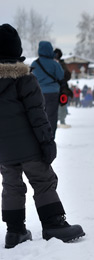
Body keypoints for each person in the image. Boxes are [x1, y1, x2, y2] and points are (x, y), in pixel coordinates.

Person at [0, 23, 85, 249]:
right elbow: (38, 116)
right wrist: (47, 142)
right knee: (44, 180)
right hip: (29, 146)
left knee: (11, 185)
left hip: (4, 150)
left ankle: (14, 231)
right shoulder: (24, 78)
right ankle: (53, 224)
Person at [30, 41, 64, 136]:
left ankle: (40, 135)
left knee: (40, 115)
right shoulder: (54, 64)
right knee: (51, 116)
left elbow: (31, 77)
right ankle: (50, 136)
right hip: (53, 93)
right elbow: (61, 76)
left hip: (38, 93)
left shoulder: (34, 63)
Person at [54, 48, 72, 128]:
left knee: (63, 105)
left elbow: (68, 76)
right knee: (54, 106)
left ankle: (62, 121)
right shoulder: (51, 64)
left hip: (63, 88)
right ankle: (56, 121)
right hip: (54, 88)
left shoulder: (62, 64)